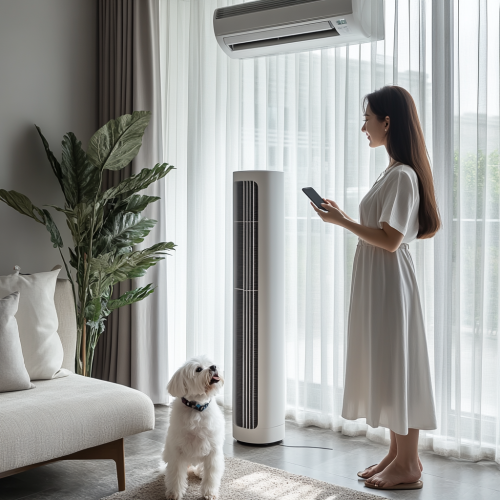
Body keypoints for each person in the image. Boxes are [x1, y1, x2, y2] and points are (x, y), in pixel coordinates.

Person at [310, 85, 440, 491]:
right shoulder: (393, 170)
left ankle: (409, 465)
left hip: (390, 279)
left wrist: (341, 222)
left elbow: (390, 239)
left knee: (400, 364)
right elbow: (384, 232)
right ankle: (401, 455)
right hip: (381, 278)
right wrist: (345, 217)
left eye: (367, 118)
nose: (362, 126)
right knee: (389, 363)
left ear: (387, 121)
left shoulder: (402, 175)